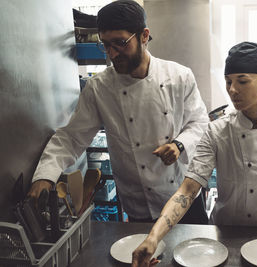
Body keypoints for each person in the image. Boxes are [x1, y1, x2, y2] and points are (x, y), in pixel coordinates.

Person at [131, 41, 257, 267]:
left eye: (242, 81)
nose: (232, 90)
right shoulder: (217, 130)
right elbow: (188, 191)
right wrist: (153, 237)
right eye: (228, 82)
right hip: (228, 239)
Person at [28, 0, 209, 224]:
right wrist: (45, 175)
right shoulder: (100, 88)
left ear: (144, 35)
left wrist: (179, 145)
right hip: (139, 205)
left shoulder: (179, 76)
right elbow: (71, 137)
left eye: (120, 43)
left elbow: (199, 123)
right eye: (105, 44)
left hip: (183, 197)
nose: (112, 54)